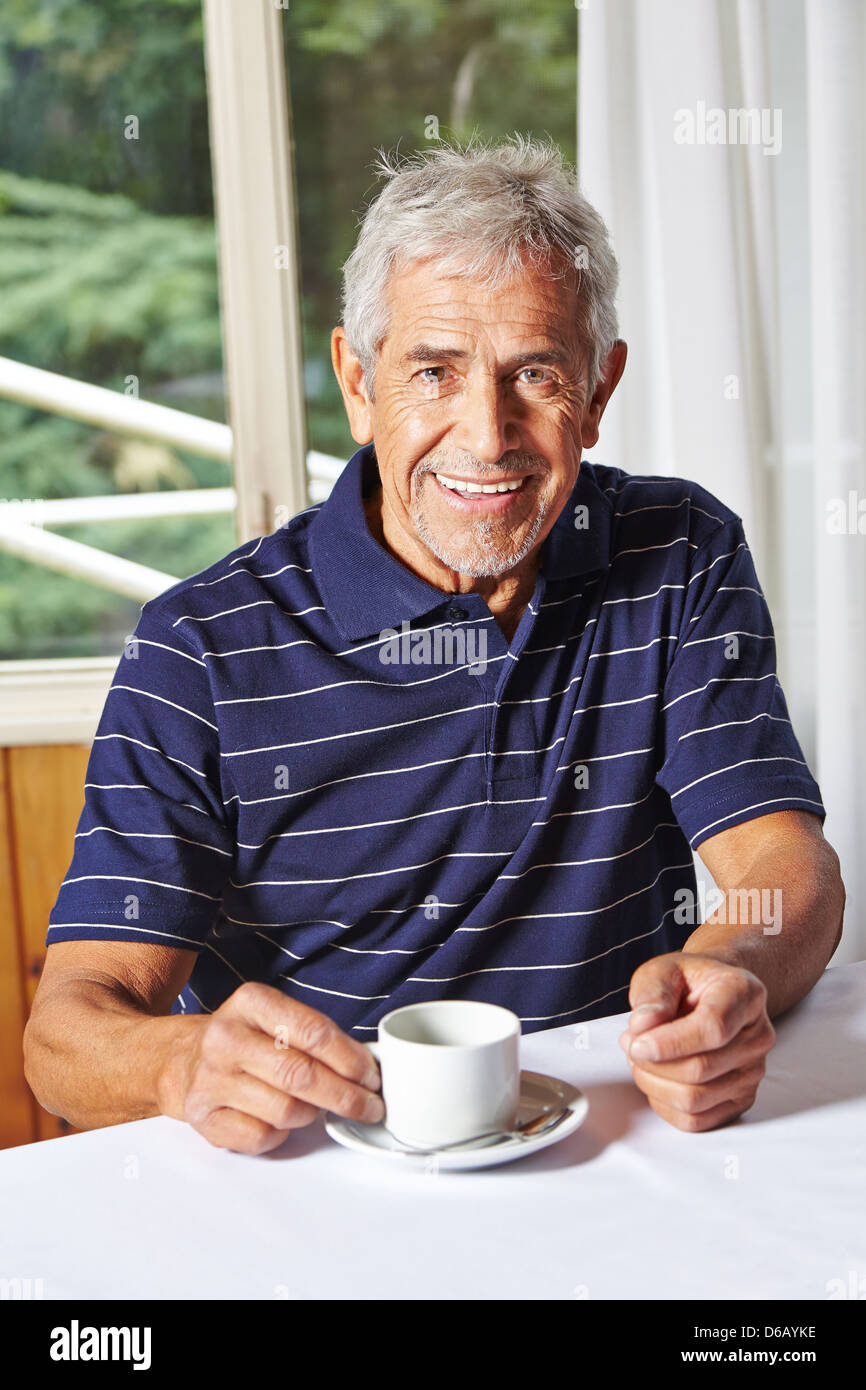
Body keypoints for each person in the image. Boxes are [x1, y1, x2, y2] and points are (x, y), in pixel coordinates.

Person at [24, 136, 844, 1154]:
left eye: (533, 374)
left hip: (618, 1142)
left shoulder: (676, 550)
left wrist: (735, 968)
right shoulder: (198, 650)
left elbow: (780, 861)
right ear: (357, 382)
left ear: (596, 390)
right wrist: (180, 1061)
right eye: (434, 372)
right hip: (317, 1170)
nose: (485, 434)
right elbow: (66, 1032)